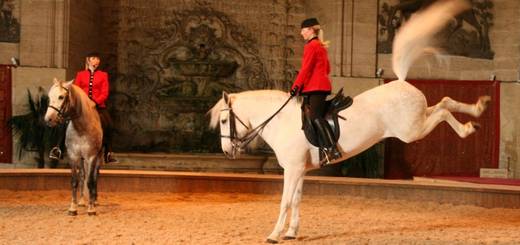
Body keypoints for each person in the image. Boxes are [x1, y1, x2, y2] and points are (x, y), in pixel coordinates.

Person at [290, 18, 341, 165]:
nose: (301, 33)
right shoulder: (320, 45)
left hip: (316, 87)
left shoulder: (311, 46)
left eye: (303, 30)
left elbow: (305, 69)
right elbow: (328, 69)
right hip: (319, 85)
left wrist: (294, 88)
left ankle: (332, 149)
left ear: (311, 30)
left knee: (315, 116)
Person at [49, 52, 117, 163]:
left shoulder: (103, 75)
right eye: (94, 58)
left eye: (97, 59)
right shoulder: (81, 74)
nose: (96, 60)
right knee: (64, 122)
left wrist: (95, 102)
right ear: (88, 60)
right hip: (81, 106)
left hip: (97, 105)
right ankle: (58, 148)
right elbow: (76, 90)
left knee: (108, 123)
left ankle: (108, 153)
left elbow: (104, 92)